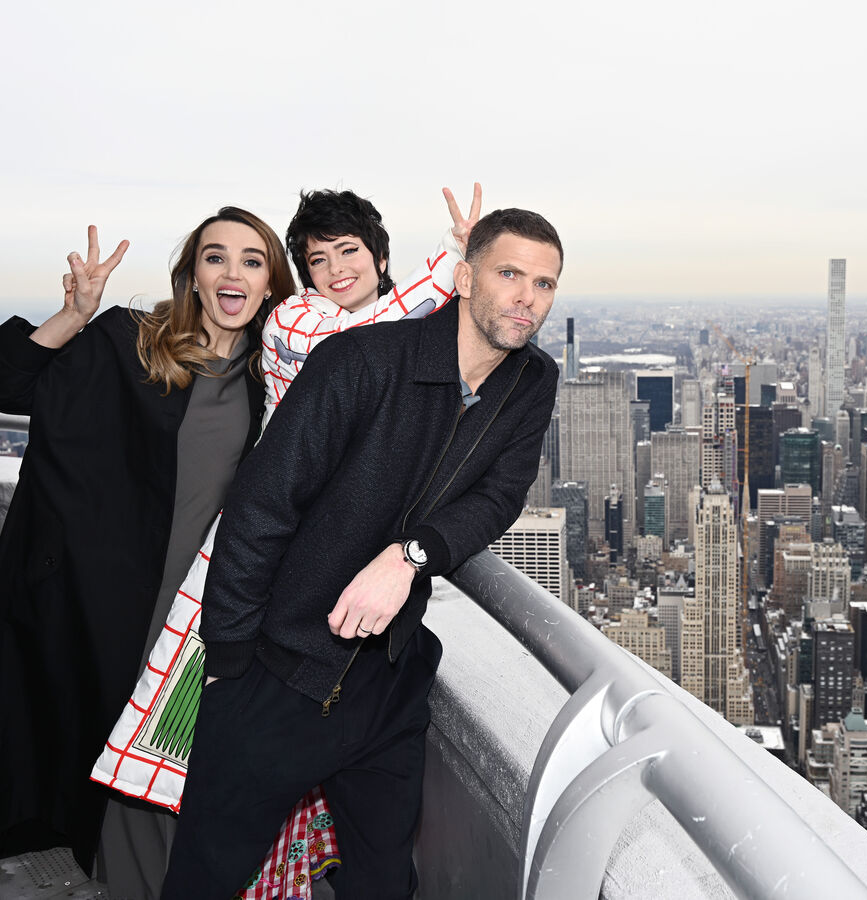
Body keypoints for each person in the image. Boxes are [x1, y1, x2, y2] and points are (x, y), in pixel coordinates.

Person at [88, 184, 482, 898]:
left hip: (333, 565)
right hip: (269, 547)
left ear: (379, 256)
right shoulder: (300, 323)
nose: (335, 270)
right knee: (227, 731)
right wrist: (454, 260)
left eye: (350, 252)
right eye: (318, 258)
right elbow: (381, 324)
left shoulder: (414, 342)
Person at [162, 206, 563, 899]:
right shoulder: (362, 360)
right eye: (510, 274)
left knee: (382, 883)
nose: (528, 296)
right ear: (464, 277)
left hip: (388, 682)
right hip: (280, 678)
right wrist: (230, 667)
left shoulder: (531, 381)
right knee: (206, 879)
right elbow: (262, 507)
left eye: (546, 283)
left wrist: (409, 556)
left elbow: (499, 497)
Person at [0, 209, 295, 890]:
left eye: (252, 261)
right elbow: (11, 384)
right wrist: (73, 314)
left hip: (196, 619)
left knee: (164, 777)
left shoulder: (273, 381)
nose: (233, 272)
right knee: (118, 779)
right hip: (102, 606)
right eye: (216, 257)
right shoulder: (126, 341)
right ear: (194, 275)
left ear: (270, 285)